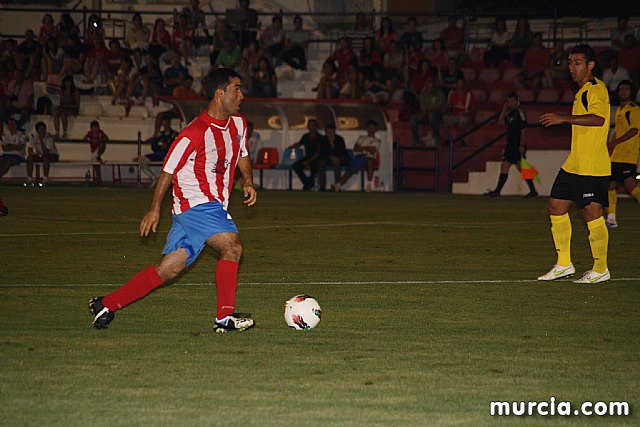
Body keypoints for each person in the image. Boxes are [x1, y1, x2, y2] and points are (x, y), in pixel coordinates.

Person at [89, 68, 257, 333]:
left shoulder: (238, 124)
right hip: (197, 203)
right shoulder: (194, 132)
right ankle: (224, 317)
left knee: (170, 268)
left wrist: (247, 180)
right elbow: (167, 171)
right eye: (236, 88)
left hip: (198, 209)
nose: (242, 95)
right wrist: (154, 209)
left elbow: (243, 153)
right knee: (232, 247)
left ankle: (106, 304)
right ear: (219, 93)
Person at [538, 44, 611, 284]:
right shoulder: (581, 92)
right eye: (570, 62)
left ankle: (601, 269)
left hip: (591, 165)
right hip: (574, 164)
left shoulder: (595, 89)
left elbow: (599, 119)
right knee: (556, 206)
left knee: (591, 213)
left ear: (590, 65)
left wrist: (563, 118)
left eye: (577, 62)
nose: (572, 67)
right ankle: (563, 264)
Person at [485, 93, 537, 198]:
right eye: (508, 102)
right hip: (510, 144)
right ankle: (532, 191)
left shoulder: (520, 113)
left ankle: (497, 191)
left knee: (509, 166)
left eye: (512, 101)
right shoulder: (510, 114)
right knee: (516, 167)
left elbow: (523, 130)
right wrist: (504, 110)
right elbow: (500, 123)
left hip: (517, 144)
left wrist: (522, 145)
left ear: (517, 102)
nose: (510, 103)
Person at [605, 80, 640, 228]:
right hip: (617, 155)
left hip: (628, 155)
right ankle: (611, 219)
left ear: (631, 92)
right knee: (610, 185)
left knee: (630, 187)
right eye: (621, 89)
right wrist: (610, 146)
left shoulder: (634, 110)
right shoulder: (619, 110)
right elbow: (617, 131)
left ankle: (611, 219)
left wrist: (616, 142)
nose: (623, 91)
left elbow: (634, 130)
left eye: (626, 89)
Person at [332, 120, 381, 192]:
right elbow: (355, 148)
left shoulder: (377, 141)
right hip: (359, 157)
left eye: (372, 127)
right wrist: (367, 148)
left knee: (370, 161)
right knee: (350, 170)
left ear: (376, 129)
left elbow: (372, 151)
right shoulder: (361, 138)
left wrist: (362, 148)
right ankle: (338, 185)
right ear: (366, 129)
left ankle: (368, 185)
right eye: (369, 127)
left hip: (369, 158)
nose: (370, 129)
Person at [140, 116, 177, 186]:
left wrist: (167, 146)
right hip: (157, 154)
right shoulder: (159, 135)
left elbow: (175, 147)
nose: (165, 125)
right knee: (142, 160)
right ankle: (153, 177)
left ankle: (167, 182)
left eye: (167, 123)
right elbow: (153, 146)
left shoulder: (174, 134)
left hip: (167, 155)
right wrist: (159, 146)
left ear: (169, 123)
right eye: (164, 123)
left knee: (168, 162)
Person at [290, 119, 325, 191]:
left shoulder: (320, 138)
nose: (311, 127)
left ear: (316, 127)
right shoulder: (305, 136)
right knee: (296, 166)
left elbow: (318, 153)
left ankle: (311, 185)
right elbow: (300, 144)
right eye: (310, 126)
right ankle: (307, 183)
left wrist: (308, 161)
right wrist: (290, 147)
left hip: (316, 158)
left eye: (313, 125)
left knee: (314, 167)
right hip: (307, 156)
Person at [410, 76, 445, 146]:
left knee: (431, 116)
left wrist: (426, 113)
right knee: (413, 119)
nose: (430, 86)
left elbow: (439, 107)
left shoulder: (440, 93)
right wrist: (422, 114)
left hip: (437, 114)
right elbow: (423, 108)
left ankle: (437, 138)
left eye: (431, 83)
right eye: (428, 84)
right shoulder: (423, 95)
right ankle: (416, 141)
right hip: (426, 114)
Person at [25, 121, 59, 186]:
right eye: (40, 129)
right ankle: (29, 179)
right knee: (29, 158)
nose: (42, 131)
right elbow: (29, 150)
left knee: (46, 158)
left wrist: (41, 140)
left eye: (43, 129)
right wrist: (35, 154)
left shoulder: (49, 137)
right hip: (40, 154)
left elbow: (46, 152)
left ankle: (45, 179)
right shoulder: (33, 136)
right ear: (37, 130)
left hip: (52, 154)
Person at [317, 123, 349, 192]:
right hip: (328, 158)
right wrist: (331, 157)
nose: (330, 134)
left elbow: (342, 151)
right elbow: (322, 152)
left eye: (332, 132)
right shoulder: (323, 140)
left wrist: (337, 158)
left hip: (339, 158)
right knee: (321, 162)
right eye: (328, 132)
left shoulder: (339, 139)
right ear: (326, 132)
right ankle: (322, 186)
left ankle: (337, 185)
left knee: (337, 162)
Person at [53, 75, 80, 140]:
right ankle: (57, 132)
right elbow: (61, 102)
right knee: (56, 114)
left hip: (73, 108)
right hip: (64, 108)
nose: (67, 84)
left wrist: (68, 106)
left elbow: (77, 104)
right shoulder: (62, 91)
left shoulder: (75, 92)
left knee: (63, 115)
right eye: (66, 82)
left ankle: (65, 132)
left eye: (69, 82)